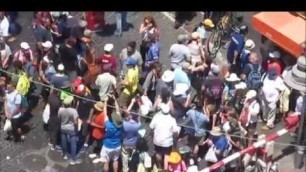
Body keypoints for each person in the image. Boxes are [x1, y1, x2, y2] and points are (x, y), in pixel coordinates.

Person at [150, 103, 179, 169]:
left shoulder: (156, 117)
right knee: (167, 155)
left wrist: (152, 134)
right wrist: (175, 139)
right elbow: (175, 131)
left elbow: (151, 127)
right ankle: (166, 169)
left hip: (157, 140)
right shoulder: (172, 119)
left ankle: (159, 166)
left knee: (158, 153)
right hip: (167, 142)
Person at [99, 96, 123, 172]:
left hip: (107, 146)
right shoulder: (121, 124)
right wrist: (115, 100)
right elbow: (118, 111)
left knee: (106, 161)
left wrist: (105, 102)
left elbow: (104, 112)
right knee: (115, 160)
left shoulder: (108, 124)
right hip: (117, 146)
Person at [58, 96, 82, 165]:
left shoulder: (60, 109)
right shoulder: (73, 111)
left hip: (63, 127)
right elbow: (75, 122)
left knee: (64, 141)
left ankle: (64, 154)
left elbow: (59, 118)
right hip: (71, 129)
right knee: (73, 144)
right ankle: (73, 158)